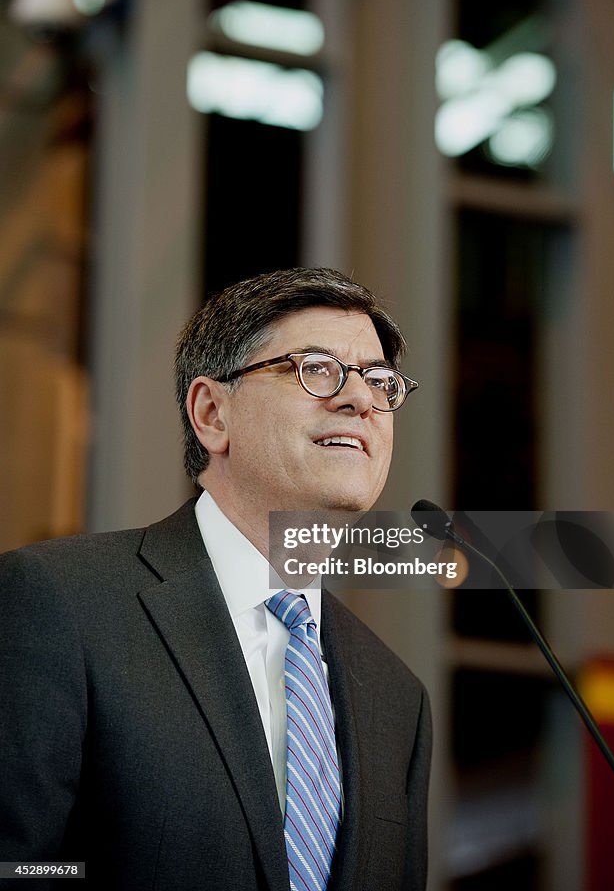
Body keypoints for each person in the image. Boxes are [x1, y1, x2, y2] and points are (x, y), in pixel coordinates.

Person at [0, 267, 431, 891]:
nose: (360, 400)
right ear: (211, 413)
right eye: (316, 368)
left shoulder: (397, 697)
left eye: (380, 381)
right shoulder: (59, 603)